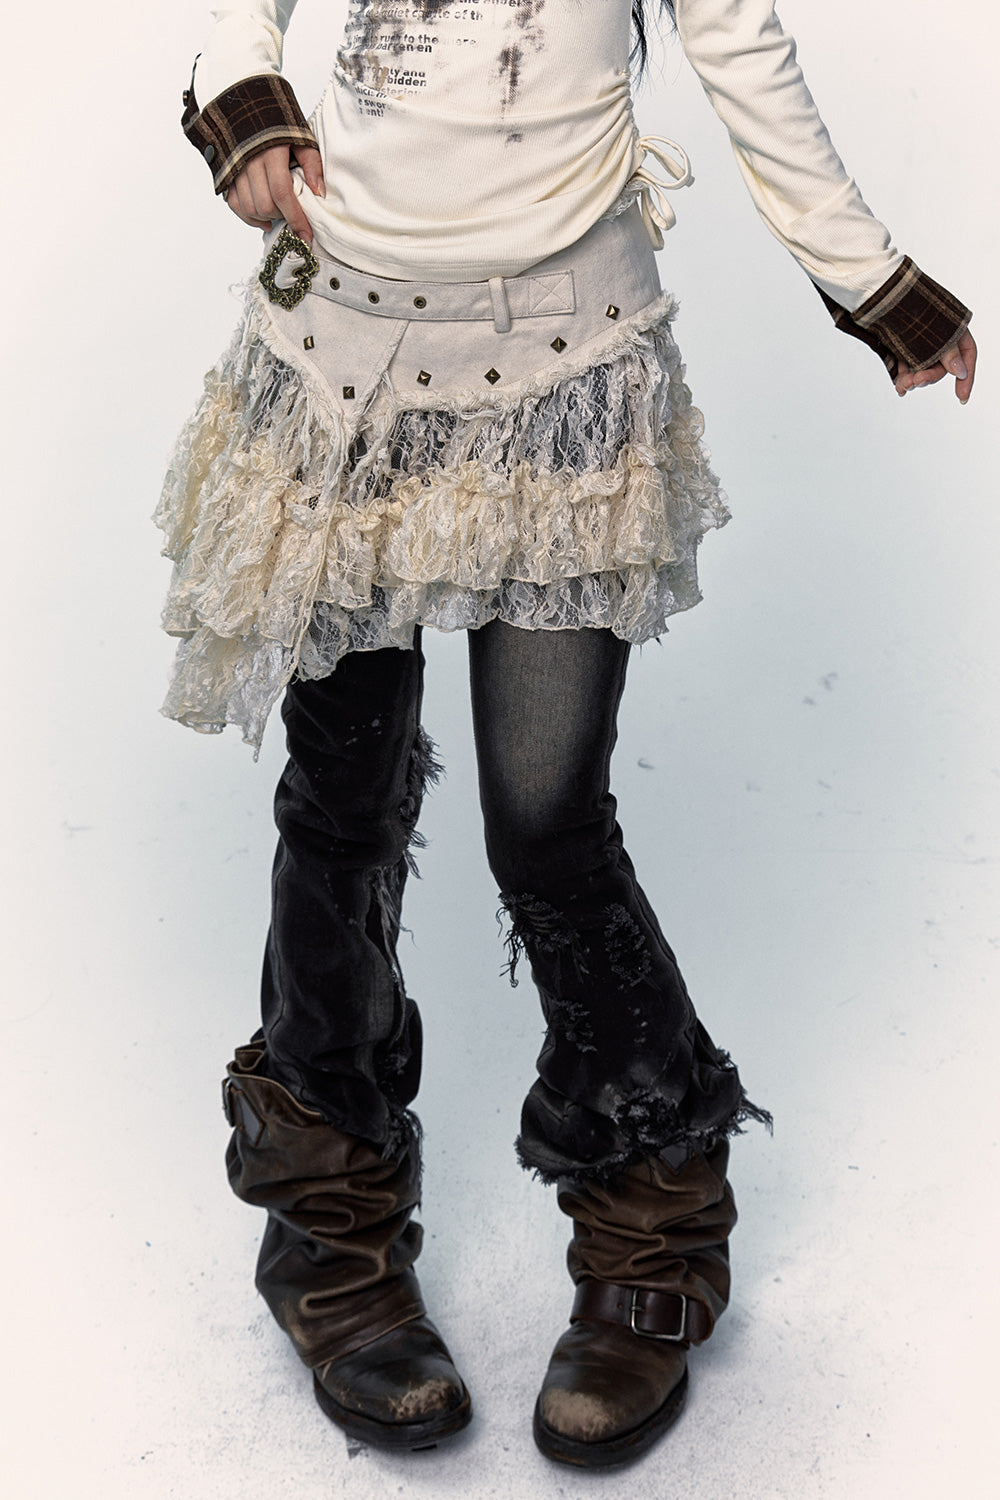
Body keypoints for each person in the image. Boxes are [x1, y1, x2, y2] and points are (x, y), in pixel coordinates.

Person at [157, 0, 976, 1469]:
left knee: (543, 816)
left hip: (564, 370)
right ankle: (329, 1227)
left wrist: (875, 285)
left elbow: (743, 48)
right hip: (343, 355)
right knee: (343, 794)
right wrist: (246, 105)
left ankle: (654, 1216)